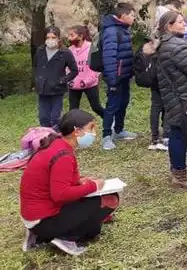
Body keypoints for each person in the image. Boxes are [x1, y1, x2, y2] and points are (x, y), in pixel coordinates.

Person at [20, 109, 119, 256]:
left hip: (33, 216)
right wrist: (93, 186)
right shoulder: (63, 155)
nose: (94, 133)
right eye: (91, 128)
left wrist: (78, 182)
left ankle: (39, 236)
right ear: (76, 131)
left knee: (94, 228)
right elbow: (61, 195)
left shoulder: (55, 145)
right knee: (110, 199)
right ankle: (66, 238)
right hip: (43, 219)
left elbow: (52, 180)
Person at [155, 11, 187, 188]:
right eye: (181, 22)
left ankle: (178, 172)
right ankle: (180, 176)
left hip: (172, 94)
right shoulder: (177, 46)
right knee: (179, 135)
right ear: (169, 26)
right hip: (181, 96)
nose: (184, 25)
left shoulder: (164, 43)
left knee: (177, 133)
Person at [99, 2, 137, 150]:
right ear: (123, 15)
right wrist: (112, 78)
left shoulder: (123, 30)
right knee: (112, 105)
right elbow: (109, 56)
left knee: (123, 102)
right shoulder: (111, 31)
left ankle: (119, 130)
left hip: (124, 75)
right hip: (115, 76)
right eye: (132, 15)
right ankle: (106, 136)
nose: (134, 18)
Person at [34, 26, 79, 128]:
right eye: (48, 37)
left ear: (58, 38)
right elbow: (36, 66)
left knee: (55, 118)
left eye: (53, 37)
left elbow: (74, 71)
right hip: (43, 89)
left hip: (57, 90)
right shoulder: (40, 51)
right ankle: (45, 139)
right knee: (43, 118)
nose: (50, 40)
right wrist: (37, 80)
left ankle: (56, 138)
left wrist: (63, 80)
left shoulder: (65, 52)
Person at [66, 26, 102, 115]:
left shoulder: (92, 48)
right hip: (74, 85)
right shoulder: (69, 50)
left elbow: (97, 67)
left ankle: (110, 122)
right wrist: (69, 80)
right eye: (69, 35)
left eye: (72, 35)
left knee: (96, 107)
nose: (69, 38)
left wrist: (87, 81)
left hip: (90, 84)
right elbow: (66, 67)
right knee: (73, 110)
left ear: (81, 36)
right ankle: (73, 128)